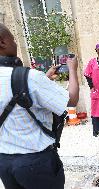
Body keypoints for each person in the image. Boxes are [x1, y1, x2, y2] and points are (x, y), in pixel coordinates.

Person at [0, 23, 79, 188]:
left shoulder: (31, 79)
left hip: (4, 162)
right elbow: (71, 100)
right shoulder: (30, 78)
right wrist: (72, 69)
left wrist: (45, 78)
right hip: (34, 162)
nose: (15, 43)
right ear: (2, 42)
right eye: (13, 39)